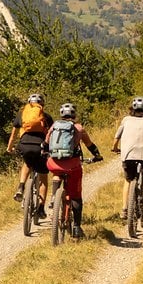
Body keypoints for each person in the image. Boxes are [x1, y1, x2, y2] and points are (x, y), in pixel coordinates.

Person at [43, 102, 101, 238]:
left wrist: (45, 153)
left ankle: (53, 197)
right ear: (74, 114)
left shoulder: (54, 127)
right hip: (72, 166)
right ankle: (76, 227)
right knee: (76, 195)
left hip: (54, 163)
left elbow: (46, 144)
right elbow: (90, 145)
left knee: (56, 173)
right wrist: (97, 156)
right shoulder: (79, 128)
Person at [6, 93, 51, 219]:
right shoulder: (46, 117)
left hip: (24, 145)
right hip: (40, 147)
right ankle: (41, 209)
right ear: (42, 105)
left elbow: (13, 134)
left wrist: (9, 148)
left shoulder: (22, 115)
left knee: (27, 163)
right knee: (43, 178)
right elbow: (52, 135)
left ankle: (21, 187)